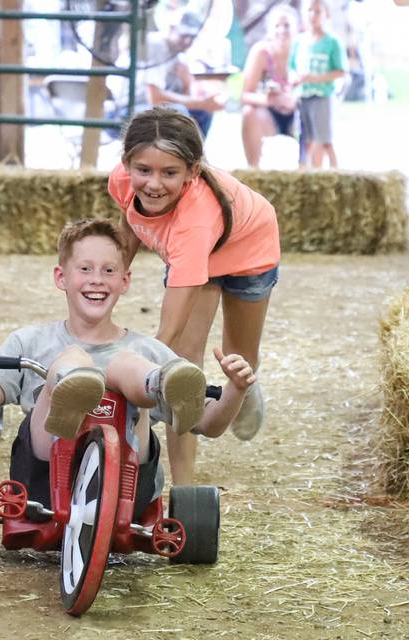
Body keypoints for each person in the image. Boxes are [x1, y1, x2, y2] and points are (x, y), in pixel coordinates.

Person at [0, 219, 256, 505]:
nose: (97, 279)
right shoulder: (31, 342)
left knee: (129, 363)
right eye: (85, 269)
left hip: (129, 486)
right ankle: (74, 380)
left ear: (124, 281)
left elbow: (207, 426)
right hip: (46, 479)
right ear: (61, 277)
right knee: (69, 360)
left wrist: (235, 390)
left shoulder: (148, 349)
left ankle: (157, 382)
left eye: (109, 271)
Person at [108, 106, 280, 485]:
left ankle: (243, 388)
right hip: (194, 253)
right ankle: (183, 484)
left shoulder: (195, 219)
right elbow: (131, 219)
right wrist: (114, 273)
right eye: (144, 171)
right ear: (126, 164)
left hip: (249, 249)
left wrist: (140, 366)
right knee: (183, 368)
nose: (153, 184)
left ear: (193, 171)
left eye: (169, 173)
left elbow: (165, 332)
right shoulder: (121, 181)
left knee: (238, 356)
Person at [108, 11, 225, 138]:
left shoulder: (179, 55)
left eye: (191, 38)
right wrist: (201, 103)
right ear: (172, 29)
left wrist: (188, 84)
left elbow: (185, 99)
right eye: (184, 35)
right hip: (124, 112)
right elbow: (155, 97)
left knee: (200, 113)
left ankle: (193, 155)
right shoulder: (156, 46)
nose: (187, 42)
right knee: (178, 113)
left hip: (149, 110)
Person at [240, 4, 299, 168]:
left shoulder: (303, 50)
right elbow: (244, 95)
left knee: (314, 110)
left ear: (297, 28)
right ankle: (254, 170)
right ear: (269, 30)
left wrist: (293, 99)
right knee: (248, 112)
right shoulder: (261, 52)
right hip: (269, 114)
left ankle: (308, 167)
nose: (282, 30)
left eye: (286, 25)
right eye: (277, 26)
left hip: (299, 113)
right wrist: (270, 100)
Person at [289, 0, 346, 169]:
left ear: (326, 15)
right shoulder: (299, 41)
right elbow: (292, 67)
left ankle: (326, 172)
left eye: (317, 11)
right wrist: (295, 79)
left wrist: (315, 78)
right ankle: (310, 170)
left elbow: (341, 71)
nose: (312, 15)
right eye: (309, 11)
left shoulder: (332, 42)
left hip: (322, 96)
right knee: (307, 138)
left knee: (323, 139)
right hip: (303, 96)